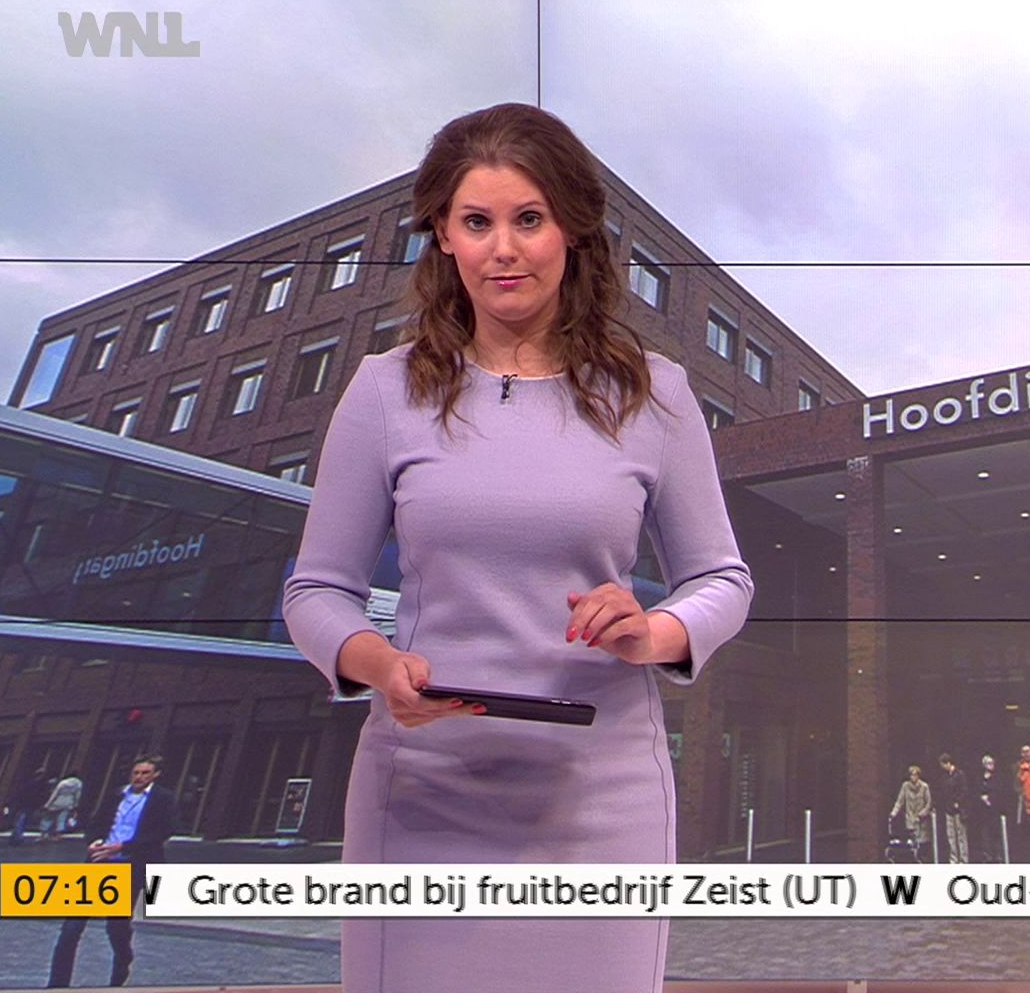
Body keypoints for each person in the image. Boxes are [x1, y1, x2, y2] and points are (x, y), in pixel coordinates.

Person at [282, 103, 753, 993]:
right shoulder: (383, 391)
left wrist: (654, 632)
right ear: (442, 235)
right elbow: (316, 591)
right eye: (477, 222)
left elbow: (721, 578)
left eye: (529, 219)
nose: (504, 250)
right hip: (421, 797)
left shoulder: (657, 394)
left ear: (572, 228)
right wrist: (375, 662)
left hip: (602, 799)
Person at [47, 754, 176, 988]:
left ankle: (122, 961)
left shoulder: (163, 799)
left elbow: (162, 832)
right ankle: (57, 984)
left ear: (156, 774)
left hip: (130, 865)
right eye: (136, 773)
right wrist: (94, 841)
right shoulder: (116, 795)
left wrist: (122, 847)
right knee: (71, 927)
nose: (139, 777)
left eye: (145, 773)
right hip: (99, 863)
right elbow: (96, 823)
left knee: (116, 926)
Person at [888, 765, 934, 861]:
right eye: (911, 775)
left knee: (922, 845)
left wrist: (922, 814)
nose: (913, 777)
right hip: (910, 819)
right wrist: (893, 813)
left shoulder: (924, 787)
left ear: (918, 776)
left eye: (915, 775)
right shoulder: (905, 786)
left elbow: (929, 803)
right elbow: (899, 802)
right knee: (912, 845)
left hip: (922, 821)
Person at [931, 753, 971, 863]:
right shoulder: (944, 777)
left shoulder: (960, 775)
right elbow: (942, 792)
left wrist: (958, 801)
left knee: (961, 835)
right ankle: (953, 859)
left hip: (959, 810)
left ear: (948, 763)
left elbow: (964, 790)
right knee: (951, 836)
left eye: (943, 765)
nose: (942, 768)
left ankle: (963, 859)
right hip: (948, 810)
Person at [971, 754, 1008, 862]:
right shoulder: (980, 778)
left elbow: (1000, 791)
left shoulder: (997, 777)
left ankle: (998, 855)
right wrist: (982, 798)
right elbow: (976, 791)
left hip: (995, 809)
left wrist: (990, 798)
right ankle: (987, 856)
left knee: (996, 833)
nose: (991, 765)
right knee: (985, 833)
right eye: (989, 763)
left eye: (992, 763)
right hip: (983, 811)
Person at [6, 772, 49, 846]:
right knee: (22, 820)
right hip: (28, 805)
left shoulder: (27, 784)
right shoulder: (37, 785)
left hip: (23, 804)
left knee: (20, 820)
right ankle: (17, 837)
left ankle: (16, 836)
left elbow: (19, 794)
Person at [42, 772, 84, 840]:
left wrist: (48, 804)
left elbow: (55, 794)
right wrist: (75, 805)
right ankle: (58, 835)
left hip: (57, 802)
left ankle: (44, 833)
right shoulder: (79, 784)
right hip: (68, 803)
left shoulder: (63, 783)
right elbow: (77, 796)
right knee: (61, 819)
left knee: (48, 818)